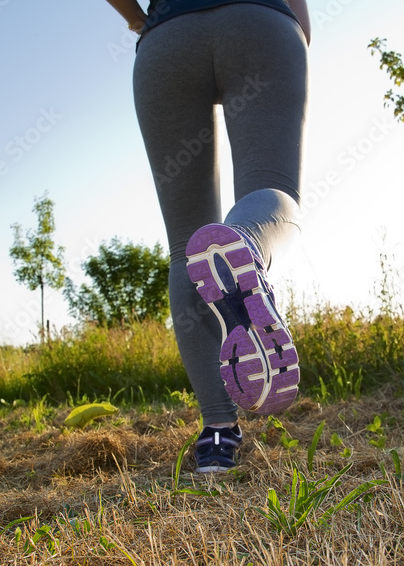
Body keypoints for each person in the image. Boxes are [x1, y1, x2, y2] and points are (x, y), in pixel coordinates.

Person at [104, 0, 311, 472]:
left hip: (167, 38)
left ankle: (218, 433)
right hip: (260, 22)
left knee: (186, 246)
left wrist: (140, 21)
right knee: (274, 193)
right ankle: (247, 244)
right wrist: (292, 35)